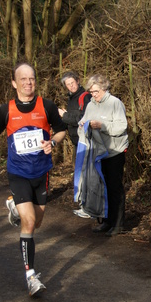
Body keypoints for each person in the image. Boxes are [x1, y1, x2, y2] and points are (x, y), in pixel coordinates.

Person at [0, 63, 67, 297]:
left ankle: (13, 206)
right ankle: (31, 276)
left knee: (37, 222)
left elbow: (60, 130)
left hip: (42, 172)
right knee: (29, 222)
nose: (28, 82)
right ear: (14, 83)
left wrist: (53, 142)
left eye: (31, 78)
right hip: (18, 172)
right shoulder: (6, 110)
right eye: (23, 79)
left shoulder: (46, 106)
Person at [79, 73, 129, 236]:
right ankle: (106, 221)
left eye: (96, 92)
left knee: (115, 187)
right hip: (98, 153)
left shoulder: (115, 103)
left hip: (115, 152)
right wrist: (83, 125)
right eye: (91, 92)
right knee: (102, 187)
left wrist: (102, 125)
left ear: (104, 88)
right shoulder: (91, 105)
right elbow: (84, 121)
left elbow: (121, 127)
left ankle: (118, 224)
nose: (93, 95)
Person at [58, 71, 91, 219]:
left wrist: (64, 116)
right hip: (77, 142)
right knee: (80, 174)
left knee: (85, 174)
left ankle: (88, 207)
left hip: (85, 142)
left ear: (78, 81)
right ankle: (84, 204)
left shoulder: (86, 97)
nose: (71, 86)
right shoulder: (71, 99)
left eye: (72, 83)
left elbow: (83, 117)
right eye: (68, 84)